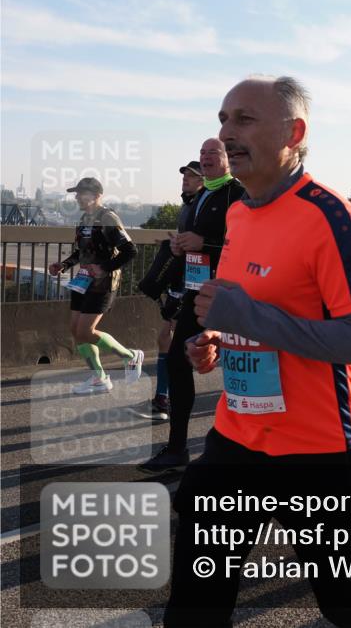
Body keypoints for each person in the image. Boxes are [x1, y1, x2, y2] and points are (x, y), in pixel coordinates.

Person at [164, 75, 351, 628]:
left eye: (244, 119)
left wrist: (246, 317)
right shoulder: (238, 212)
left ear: (294, 133)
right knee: (194, 605)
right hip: (236, 437)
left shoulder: (331, 216)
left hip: (317, 450)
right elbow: (247, 314)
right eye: (223, 119)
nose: (227, 132)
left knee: (348, 607)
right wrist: (215, 343)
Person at [139, 139, 245, 472]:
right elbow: (193, 245)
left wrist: (206, 244)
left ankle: (248, 450)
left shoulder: (238, 194)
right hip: (196, 291)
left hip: (232, 294)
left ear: (227, 159)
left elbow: (247, 244)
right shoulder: (197, 197)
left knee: (242, 368)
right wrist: (179, 246)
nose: (206, 158)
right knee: (177, 361)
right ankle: (177, 448)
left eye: (213, 153)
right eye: (203, 154)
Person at [49, 177, 144, 394]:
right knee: (76, 330)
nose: (77, 197)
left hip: (103, 283)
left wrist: (104, 268)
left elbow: (130, 250)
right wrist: (64, 265)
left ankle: (131, 356)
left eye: (81, 193)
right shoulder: (85, 219)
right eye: (76, 193)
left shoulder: (107, 218)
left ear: (97, 195)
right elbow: (81, 252)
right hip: (83, 280)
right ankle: (99, 377)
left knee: (86, 330)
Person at [140, 161, 204, 421]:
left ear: (203, 181)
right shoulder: (187, 205)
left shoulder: (204, 205)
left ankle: (169, 399)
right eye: (184, 175)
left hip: (197, 281)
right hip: (184, 279)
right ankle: (163, 397)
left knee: (178, 343)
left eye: (192, 176)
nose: (185, 179)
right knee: (167, 338)